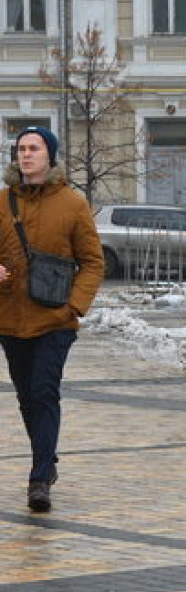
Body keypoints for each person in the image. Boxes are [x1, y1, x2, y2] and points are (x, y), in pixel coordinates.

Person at [0, 126, 105, 512]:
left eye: (34, 148)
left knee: (45, 390)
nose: (26, 155)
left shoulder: (73, 204)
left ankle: (40, 476)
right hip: (10, 318)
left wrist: (74, 307)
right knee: (28, 398)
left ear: (50, 156)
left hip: (55, 319)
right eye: (21, 149)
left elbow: (93, 263)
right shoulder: (1, 202)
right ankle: (46, 458)